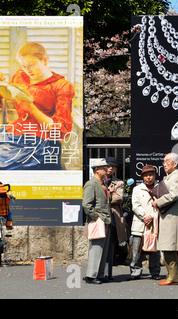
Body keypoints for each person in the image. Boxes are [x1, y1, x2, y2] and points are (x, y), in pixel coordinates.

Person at [0, 42, 75, 170]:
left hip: (41, 140)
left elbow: (62, 130)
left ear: (45, 61)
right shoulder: (20, 76)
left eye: (32, 65)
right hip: (14, 134)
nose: (27, 70)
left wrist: (32, 109)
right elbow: (8, 95)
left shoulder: (61, 86)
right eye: (23, 66)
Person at [152, 153, 178, 286]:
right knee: (168, 247)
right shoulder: (172, 176)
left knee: (169, 247)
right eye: (163, 161)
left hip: (172, 217)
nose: (164, 164)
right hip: (168, 216)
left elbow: (174, 195)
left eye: (167, 161)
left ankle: (172, 278)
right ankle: (173, 276)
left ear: (175, 164)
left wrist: (158, 202)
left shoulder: (177, 176)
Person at [82, 158, 111, 284]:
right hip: (99, 219)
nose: (107, 170)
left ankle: (99, 274)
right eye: (104, 168)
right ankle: (91, 275)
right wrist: (95, 217)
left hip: (105, 220)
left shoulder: (102, 183)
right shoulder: (91, 184)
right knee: (96, 248)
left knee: (103, 249)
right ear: (97, 170)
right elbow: (86, 205)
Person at [130, 164, 161, 280]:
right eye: (146, 175)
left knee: (155, 251)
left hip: (155, 224)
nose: (148, 177)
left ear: (155, 176)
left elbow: (163, 206)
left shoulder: (160, 189)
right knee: (137, 250)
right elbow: (135, 206)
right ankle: (135, 272)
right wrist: (145, 216)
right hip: (140, 223)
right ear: (142, 177)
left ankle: (155, 272)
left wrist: (152, 217)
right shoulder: (137, 189)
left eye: (151, 175)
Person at [104, 157, 128, 280]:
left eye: (112, 167)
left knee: (111, 245)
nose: (110, 168)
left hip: (114, 216)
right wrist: (110, 195)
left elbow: (119, 198)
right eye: (108, 166)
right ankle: (97, 272)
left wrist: (110, 195)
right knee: (99, 245)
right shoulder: (97, 181)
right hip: (100, 217)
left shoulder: (119, 183)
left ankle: (108, 273)